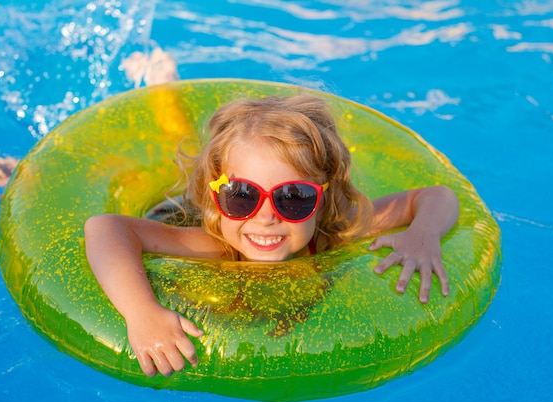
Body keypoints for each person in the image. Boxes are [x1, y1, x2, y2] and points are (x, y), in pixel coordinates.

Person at [84, 94, 459, 378]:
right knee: (172, 152)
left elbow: (435, 196)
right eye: (242, 194)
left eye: (293, 197)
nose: (265, 218)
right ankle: (165, 100)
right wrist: (142, 312)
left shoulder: (334, 233)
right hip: (176, 215)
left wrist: (423, 234)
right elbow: (107, 227)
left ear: (324, 197)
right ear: (218, 195)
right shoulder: (216, 245)